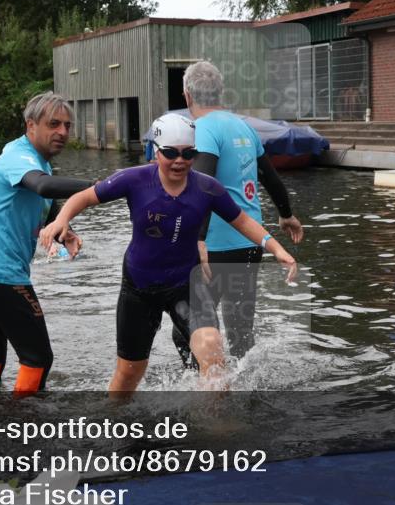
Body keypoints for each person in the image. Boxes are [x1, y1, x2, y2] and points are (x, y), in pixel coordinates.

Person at [40, 114, 298, 394]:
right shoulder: (134, 179)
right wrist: (61, 219)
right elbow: (85, 197)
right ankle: (113, 423)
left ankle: (215, 430)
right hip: (139, 289)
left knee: (213, 354)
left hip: (185, 285)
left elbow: (243, 221)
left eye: (188, 153)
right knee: (128, 376)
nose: (180, 161)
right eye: (170, 153)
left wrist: (276, 248)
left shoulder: (206, 187)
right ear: (156, 152)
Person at [0, 91, 92, 395]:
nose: (62, 132)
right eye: (53, 124)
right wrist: (103, 186)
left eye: (67, 126)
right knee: (38, 359)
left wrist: (62, 227)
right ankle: (24, 430)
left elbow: (40, 200)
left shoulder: (32, 160)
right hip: (0, 277)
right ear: (31, 126)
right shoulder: (20, 158)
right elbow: (42, 186)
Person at [174, 61, 305, 365]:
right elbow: (269, 176)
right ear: (221, 92)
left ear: (187, 96)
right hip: (250, 244)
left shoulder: (203, 130)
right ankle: (246, 390)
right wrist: (286, 214)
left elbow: (203, 186)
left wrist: (199, 240)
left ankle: (202, 387)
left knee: (187, 330)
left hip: (216, 248)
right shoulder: (243, 125)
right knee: (240, 330)